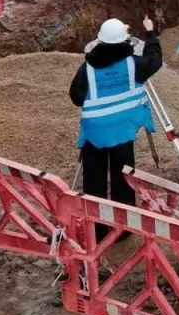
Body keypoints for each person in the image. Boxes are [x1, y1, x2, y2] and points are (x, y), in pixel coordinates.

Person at [68, 16, 162, 214]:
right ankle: (124, 227)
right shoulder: (133, 64)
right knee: (123, 177)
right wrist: (150, 33)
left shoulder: (87, 69)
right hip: (123, 130)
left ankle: (98, 227)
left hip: (95, 134)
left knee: (94, 180)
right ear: (124, 41)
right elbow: (155, 61)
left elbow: (76, 97)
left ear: (100, 40)